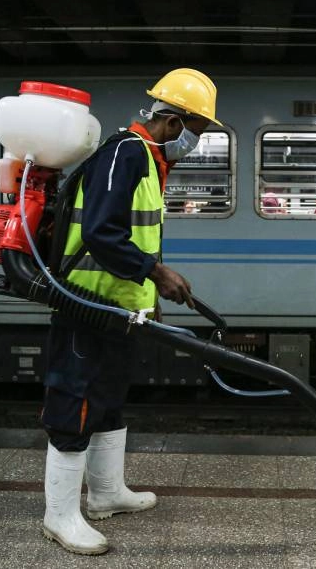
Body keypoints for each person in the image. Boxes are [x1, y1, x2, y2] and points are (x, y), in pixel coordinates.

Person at [41, 68, 221, 556]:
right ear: (172, 121)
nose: (196, 143)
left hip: (121, 307)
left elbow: (137, 235)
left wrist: (150, 299)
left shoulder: (147, 160)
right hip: (87, 303)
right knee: (75, 403)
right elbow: (102, 232)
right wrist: (158, 273)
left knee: (110, 397)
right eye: (197, 131)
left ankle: (105, 494)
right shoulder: (126, 152)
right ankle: (59, 516)